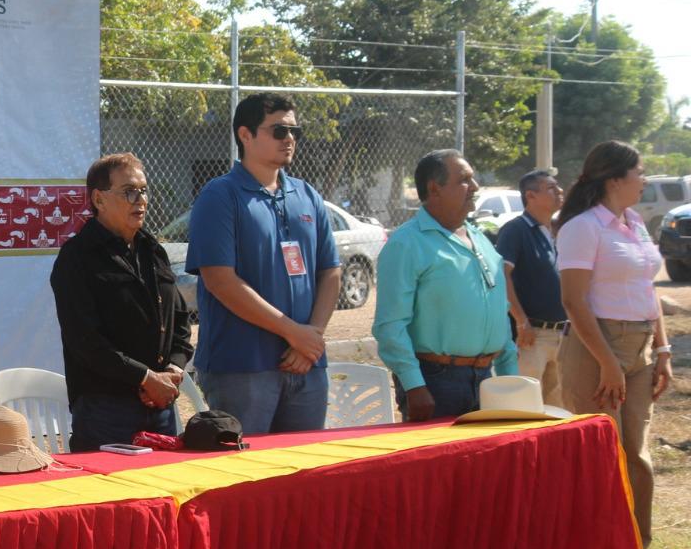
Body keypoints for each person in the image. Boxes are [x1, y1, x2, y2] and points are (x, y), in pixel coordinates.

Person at [187, 93, 341, 434]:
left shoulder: (308, 195)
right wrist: (293, 332)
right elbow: (220, 280)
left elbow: (330, 272)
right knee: (246, 466)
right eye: (279, 131)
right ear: (245, 134)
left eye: (294, 131)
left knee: (304, 465)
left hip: (306, 365)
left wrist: (311, 338)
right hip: (242, 368)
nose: (289, 139)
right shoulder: (220, 196)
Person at [555, 141, 670, 549]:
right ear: (615, 179)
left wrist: (662, 350)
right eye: (640, 172)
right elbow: (573, 301)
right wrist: (607, 362)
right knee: (603, 455)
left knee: (636, 455)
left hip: (639, 348)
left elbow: (647, 288)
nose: (645, 180)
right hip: (596, 348)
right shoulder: (582, 227)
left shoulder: (634, 222)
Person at [50, 153, 193, 450]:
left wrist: (173, 370)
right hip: (106, 411)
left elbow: (179, 320)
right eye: (129, 191)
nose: (140, 200)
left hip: (161, 404)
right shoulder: (77, 258)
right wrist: (145, 378)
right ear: (99, 199)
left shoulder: (153, 251)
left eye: (143, 190)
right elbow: (85, 341)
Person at [374, 149, 518, 420]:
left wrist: (510, 375)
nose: (474, 187)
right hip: (435, 383)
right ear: (434, 189)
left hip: (487, 381)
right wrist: (414, 385)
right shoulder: (407, 243)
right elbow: (390, 325)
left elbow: (501, 311)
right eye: (464, 180)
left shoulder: (481, 240)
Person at [496, 168, 567, 404]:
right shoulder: (515, 230)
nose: (560, 191)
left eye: (558, 186)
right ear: (531, 195)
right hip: (532, 337)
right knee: (525, 405)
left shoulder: (557, 230)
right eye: (551, 188)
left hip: (563, 335)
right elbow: (502, 275)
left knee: (559, 411)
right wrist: (521, 320)